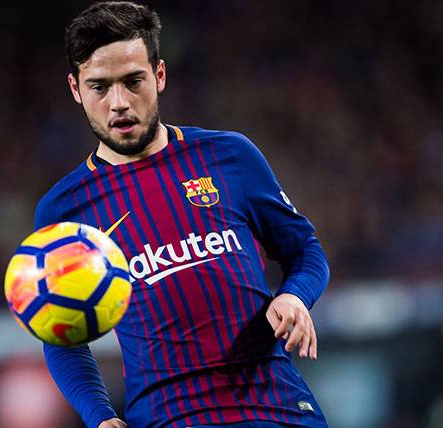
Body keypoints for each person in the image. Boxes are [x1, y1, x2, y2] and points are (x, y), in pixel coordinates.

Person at [34, 2, 330, 427]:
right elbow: (61, 337)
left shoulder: (230, 156)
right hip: (167, 418)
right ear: (75, 88)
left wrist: (295, 295)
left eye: (133, 81)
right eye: (99, 87)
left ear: (159, 75)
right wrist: (99, 416)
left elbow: (304, 249)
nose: (119, 102)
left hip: (277, 408)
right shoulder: (63, 210)